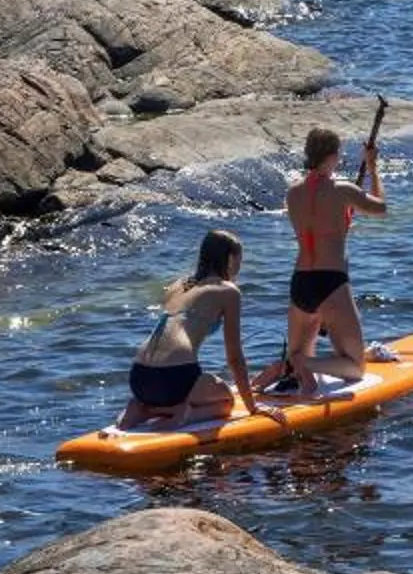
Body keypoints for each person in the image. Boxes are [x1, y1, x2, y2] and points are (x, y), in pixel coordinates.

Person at [273, 123, 390, 395]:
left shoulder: (293, 194)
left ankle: (301, 368)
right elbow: (381, 208)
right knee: (355, 367)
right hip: (331, 282)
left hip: (300, 282)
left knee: (303, 363)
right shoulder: (343, 190)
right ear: (333, 155)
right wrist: (372, 167)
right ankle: (304, 362)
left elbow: (317, 224)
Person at [120, 228, 265, 427]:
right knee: (226, 401)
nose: (240, 266)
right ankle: (182, 413)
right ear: (230, 258)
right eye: (240, 259)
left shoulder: (178, 285)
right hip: (174, 378)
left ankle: (144, 409)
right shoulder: (228, 291)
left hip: (139, 377)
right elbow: (234, 357)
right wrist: (253, 408)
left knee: (179, 387)